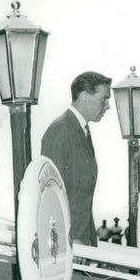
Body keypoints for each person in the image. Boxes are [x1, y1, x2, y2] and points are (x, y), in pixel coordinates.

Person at [41, 71, 112, 246]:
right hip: (71, 242)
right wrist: (70, 238)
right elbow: (51, 192)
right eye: (104, 99)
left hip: (82, 238)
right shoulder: (61, 130)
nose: (108, 106)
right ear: (84, 96)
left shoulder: (81, 131)